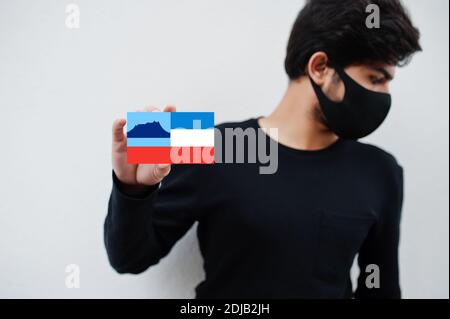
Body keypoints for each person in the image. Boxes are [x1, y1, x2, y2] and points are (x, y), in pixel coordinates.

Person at [104, 0, 421, 299]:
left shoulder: (381, 171)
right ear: (320, 67)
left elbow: (381, 292)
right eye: (375, 79)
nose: (385, 94)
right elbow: (128, 258)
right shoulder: (208, 142)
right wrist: (134, 189)